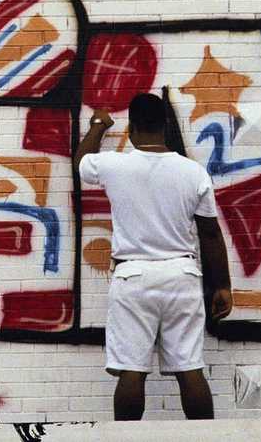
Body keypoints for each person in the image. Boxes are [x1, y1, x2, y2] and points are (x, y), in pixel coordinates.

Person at [74, 93, 232, 421]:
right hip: (182, 275)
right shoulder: (193, 172)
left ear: (131, 128)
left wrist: (99, 125)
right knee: (190, 368)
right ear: (166, 126)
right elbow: (211, 233)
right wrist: (223, 286)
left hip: (132, 277)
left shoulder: (114, 165)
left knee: (132, 370)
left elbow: (81, 162)